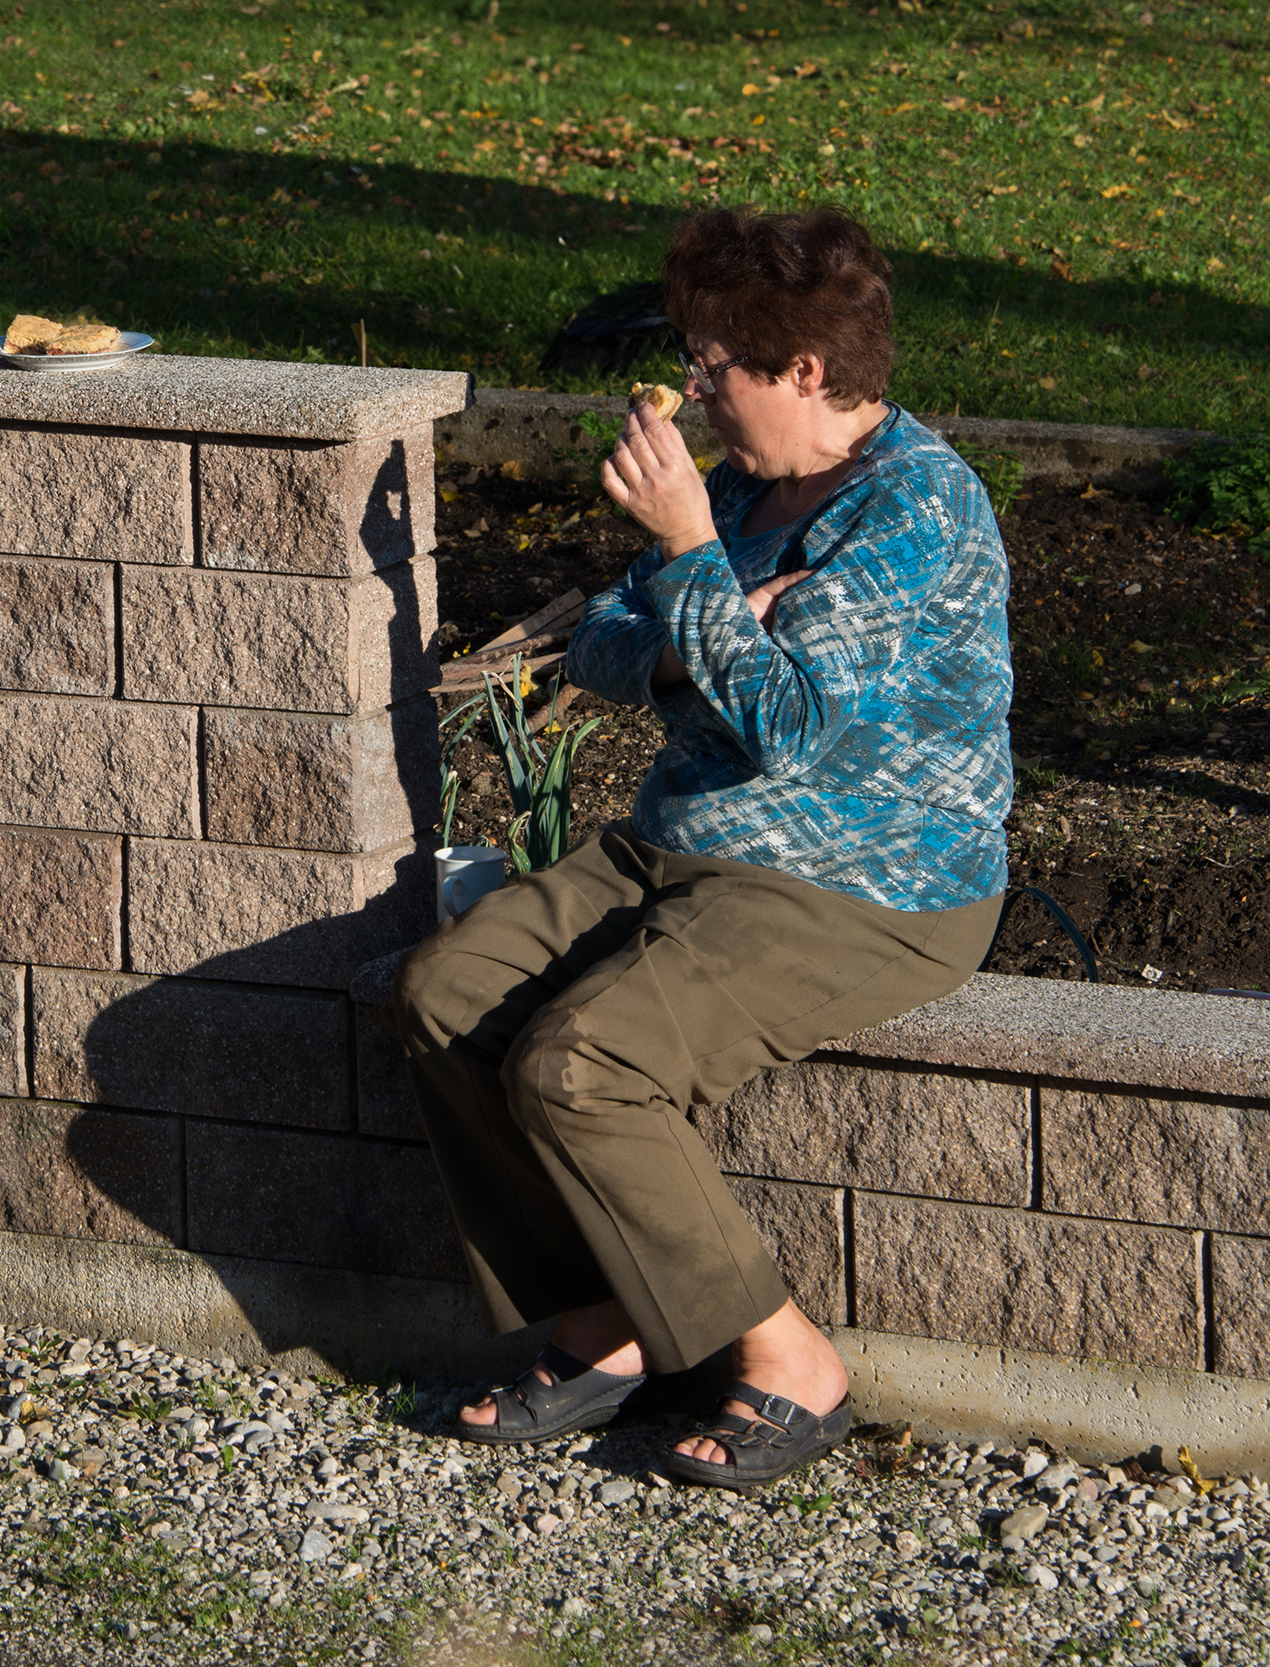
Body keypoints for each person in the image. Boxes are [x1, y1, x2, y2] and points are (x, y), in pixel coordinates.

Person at [393, 206, 1012, 1491]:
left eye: (713, 360)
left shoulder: (915, 507)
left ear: (803, 370)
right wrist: (717, 600)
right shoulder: (741, 489)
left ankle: (791, 1361)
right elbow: (606, 649)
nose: (688, 386)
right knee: (445, 993)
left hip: (866, 882)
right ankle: (604, 1321)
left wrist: (687, 560)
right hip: (687, 844)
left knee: (584, 1062)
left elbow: (784, 726)